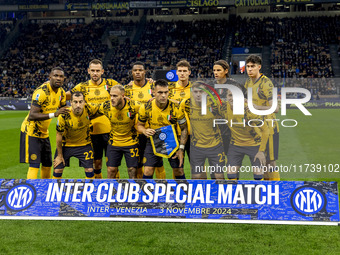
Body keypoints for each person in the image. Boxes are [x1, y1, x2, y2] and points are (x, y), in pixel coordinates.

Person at [67, 59, 120, 179]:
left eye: (97, 71)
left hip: (111, 131)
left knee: (113, 164)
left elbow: (127, 92)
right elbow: (66, 95)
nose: (95, 73)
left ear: (102, 71)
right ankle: (98, 188)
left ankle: (115, 189)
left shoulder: (111, 84)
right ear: (88, 71)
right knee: (96, 163)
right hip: (91, 132)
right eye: (93, 71)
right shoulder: (82, 87)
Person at [20, 67, 68, 179]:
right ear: (50, 77)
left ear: (64, 79)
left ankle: (44, 192)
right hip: (31, 130)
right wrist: (54, 114)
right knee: (35, 164)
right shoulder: (41, 92)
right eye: (56, 76)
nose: (58, 78)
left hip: (44, 132)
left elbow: (64, 109)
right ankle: (32, 193)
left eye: (61, 76)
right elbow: (32, 115)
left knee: (47, 164)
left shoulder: (61, 92)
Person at [137, 79, 188, 179]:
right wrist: (144, 130)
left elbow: (184, 129)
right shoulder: (146, 107)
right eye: (160, 92)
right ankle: (146, 194)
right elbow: (139, 125)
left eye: (166, 92)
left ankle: (183, 193)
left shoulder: (176, 107)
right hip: (153, 140)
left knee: (178, 170)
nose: (163, 95)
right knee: (147, 171)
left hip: (172, 140)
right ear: (154, 93)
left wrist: (181, 149)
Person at [125, 61, 166, 179]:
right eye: (135, 70)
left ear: (145, 72)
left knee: (158, 162)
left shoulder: (153, 86)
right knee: (138, 162)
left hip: (153, 130)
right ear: (132, 73)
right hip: (135, 131)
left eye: (140, 70)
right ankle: (140, 187)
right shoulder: (127, 88)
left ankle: (161, 187)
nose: (138, 72)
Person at [244, 55, 280, 181]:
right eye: (248, 66)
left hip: (269, 128)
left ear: (259, 67)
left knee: (270, 162)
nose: (249, 69)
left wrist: (255, 107)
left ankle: (276, 190)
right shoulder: (248, 82)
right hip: (255, 128)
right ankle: (266, 191)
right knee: (261, 161)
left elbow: (275, 108)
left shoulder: (266, 83)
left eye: (252, 66)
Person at [223, 89, 270, 180]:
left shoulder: (249, 110)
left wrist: (261, 151)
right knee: (231, 174)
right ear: (226, 97)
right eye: (230, 95)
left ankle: (259, 193)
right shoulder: (224, 107)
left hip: (254, 144)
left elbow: (265, 130)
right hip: (235, 145)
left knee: (258, 175)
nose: (232, 98)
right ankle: (235, 193)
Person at [181, 83, 225, 180]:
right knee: (196, 176)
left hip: (215, 145)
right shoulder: (186, 104)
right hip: (197, 147)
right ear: (192, 93)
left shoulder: (215, 104)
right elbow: (173, 104)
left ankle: (218, 195)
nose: (198, 94)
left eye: (201, 91)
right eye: (196, 92)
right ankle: (198, 195)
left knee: (219, 176)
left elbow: (231, 106)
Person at [97, 85, 140, 179]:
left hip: (131, 142)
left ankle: (133, 190)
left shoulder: (134, 106)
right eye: (111, 95)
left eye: (115, 96)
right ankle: (111, 190)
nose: (112, 98)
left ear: (123, 96)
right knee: (111, 170)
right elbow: (91, 111)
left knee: (132, 169)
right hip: (114, 142)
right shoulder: (106, 106)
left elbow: (148, 110)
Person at [53, 92, 97, 179]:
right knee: (57, 170)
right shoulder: (64, 115)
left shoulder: (89, 108)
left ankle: (90, 190)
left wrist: (122, 98)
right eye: (75, 102)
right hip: (66, 145)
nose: (78, 105)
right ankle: (56, 190)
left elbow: (106, 106)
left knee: (90, 169)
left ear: (84, 102)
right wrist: (59, 156)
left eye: (80, 102)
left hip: (84, 144)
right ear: (71, 102)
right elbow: (59, 135)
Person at [169, 60, 192, 162]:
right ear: (176, 73)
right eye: (180, 71)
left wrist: (178, 103)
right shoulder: (169, 88)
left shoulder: (196, 88)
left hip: (193, 134)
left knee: (198, 167)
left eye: (185, 71)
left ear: (189, 72)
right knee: (177, 168)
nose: (182, 73)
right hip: (174, 133)